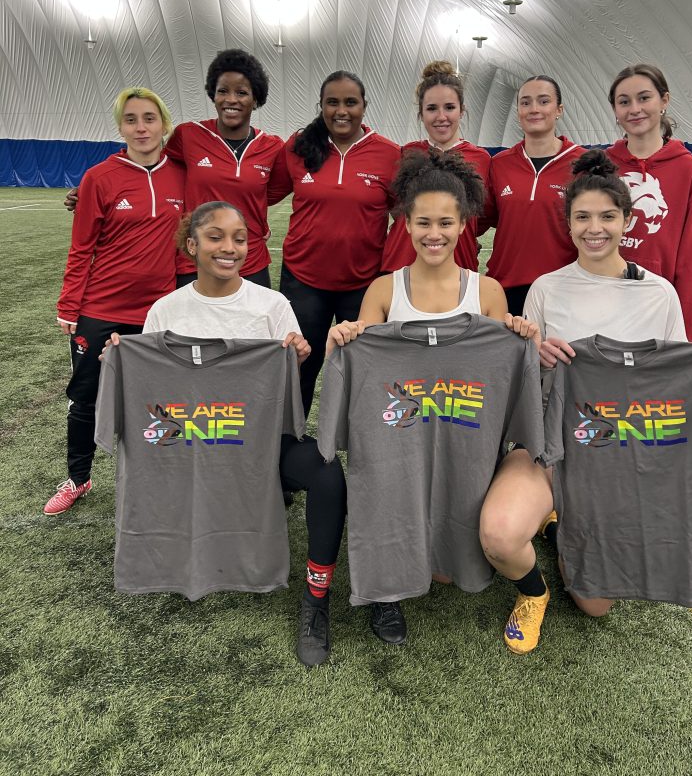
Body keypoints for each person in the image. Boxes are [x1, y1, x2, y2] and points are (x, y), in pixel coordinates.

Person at [478, 150, 692, 649]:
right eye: (582, 217)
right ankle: (533, 592)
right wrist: (536, 358)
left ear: (627, 221)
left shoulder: (659, 293)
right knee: (500, 535)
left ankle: (563, 526)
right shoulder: (546, 289)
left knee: (595, 604)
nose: (594, 228)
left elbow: (676, 386)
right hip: (552, 447)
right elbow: (520, 388)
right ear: (568, 224)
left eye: (606, 216)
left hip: (620, 457)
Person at [109, 201, 346, 668]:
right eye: (216, 237)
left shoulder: (272, 305)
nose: (230, 247)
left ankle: (316, 601)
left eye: (239, 238)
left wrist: (296, 356)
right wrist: (120, 362)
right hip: (191, 443)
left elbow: (283, 389)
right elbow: (151, 392)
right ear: (192, 245)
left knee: (327, 473)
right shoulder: (166, 309)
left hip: (259, 444)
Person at [326, 149, 539, 646]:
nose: (434, 234)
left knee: (457, 509)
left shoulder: (488, 292)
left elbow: (499, 370)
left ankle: (451, 550)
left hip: (463, 422)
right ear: (405, 224)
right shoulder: (384, 290)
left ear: (464, 225)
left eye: (446, 222)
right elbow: (367, 363)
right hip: (398, 427)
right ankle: (385, 594)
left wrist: (519, 334)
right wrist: (346, 338)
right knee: (387, 485)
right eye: (423, 222)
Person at [46, 88, 185, 516]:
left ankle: (161, 478)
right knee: (86, 396)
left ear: (164, 124)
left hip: (158, 312)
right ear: (120, 127)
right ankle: (78, 478)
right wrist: (69, 306)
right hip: (99, 310)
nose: (140, 127)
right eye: (131, 119)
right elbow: (81, 247)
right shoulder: (99, 177)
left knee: (161, 398)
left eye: (149, 118)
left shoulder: (182, 176)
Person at [65, 49, 283, 288]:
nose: (231, 99)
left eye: (241, 92)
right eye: (222, 91)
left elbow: (269, 194)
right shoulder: (188, 135)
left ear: (256, 98)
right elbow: (151, 169)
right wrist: (92, 189)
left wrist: (259, 223)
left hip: (250, 262)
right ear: (213, 95)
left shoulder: (271, 146)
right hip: (194, 263)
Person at [269, 71, 400, 415]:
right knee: (299, 364)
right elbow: (262, 194)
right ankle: (290, 438)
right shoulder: (298, 147)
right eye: (333, 102)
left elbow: (405, 216)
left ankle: (360, 439)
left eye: (350, 102)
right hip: (303, 281)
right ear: (321, 106)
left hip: (363, 284)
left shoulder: (388, 154)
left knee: (361, 369)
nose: (341, 111)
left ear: (364, 106)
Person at [605, 63, 692, 340]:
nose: (635, 109)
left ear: (664, 100)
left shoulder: (691, 170)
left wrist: (682, 329)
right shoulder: (600, 166)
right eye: (624, 102)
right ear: (615, 110)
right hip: (599, 299)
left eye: (644, 98)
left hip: (656, 307)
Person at [484, 75, 585, 315]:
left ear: (559, 110)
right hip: (506, 288)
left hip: (563, 290)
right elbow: (481, 219)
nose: (534, 109)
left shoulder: (582, 162)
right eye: (525, 102)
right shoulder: (499, 164)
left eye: (543, 101)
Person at [381, 60, 491, 272]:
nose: (441, 117)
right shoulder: (405, 154)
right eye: (432, 108)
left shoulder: (482, 159)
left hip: (458, 269)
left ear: (461, 110)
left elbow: (484, 215)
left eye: (449, 107)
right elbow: (394, 207)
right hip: (402, 267)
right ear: (421, 113)